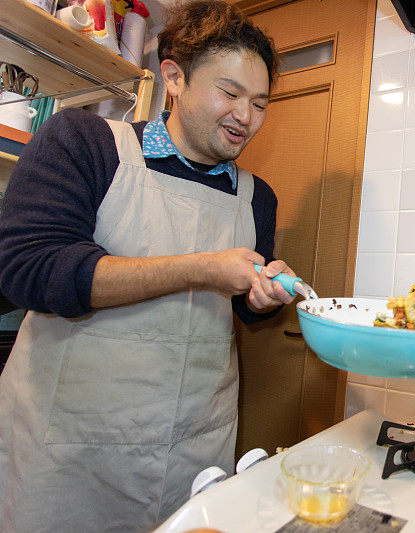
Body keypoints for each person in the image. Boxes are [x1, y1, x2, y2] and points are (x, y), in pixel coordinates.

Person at [0, 1, 295, 530]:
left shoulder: (257, 198)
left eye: (260, 103)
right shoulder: (85, 143)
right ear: (175, 77)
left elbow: (247, 317)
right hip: (69, 455)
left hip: (195, 453)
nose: (245, 117)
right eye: (229, 93)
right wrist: (200, 268)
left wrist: (263, 297)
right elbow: (30, 269)